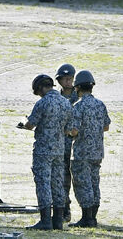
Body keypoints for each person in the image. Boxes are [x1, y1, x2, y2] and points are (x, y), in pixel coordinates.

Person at [17, 74, 73, 231]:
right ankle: (58, 221)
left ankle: (45, 221)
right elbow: (69, 129)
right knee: (57, 184)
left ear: (41, 88)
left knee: (43, 183)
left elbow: (31, 124)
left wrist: (24, 124)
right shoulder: (66, 103)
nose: (38, 94)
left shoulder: (42, 103)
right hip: (59, 150)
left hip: (43, 150)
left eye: (38, 91)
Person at [68, 70, 110, 228]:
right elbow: (106, 126)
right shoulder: (100, 104)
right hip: (97, 152)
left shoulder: (78, 106)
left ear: (77, 88)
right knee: (94, 183)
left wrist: (67, 131)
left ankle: (87, 218)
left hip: (81, 153)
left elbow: (74, 131)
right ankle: (93, 217)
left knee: (82, 184)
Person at [55, 63, 78, 222]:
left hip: (76, 145)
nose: (68, 81)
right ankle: (64, 208)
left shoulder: (80, 97)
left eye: (70, 78)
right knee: (61, 176)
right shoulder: (55, 97)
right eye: (65, 79)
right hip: (58, 144)